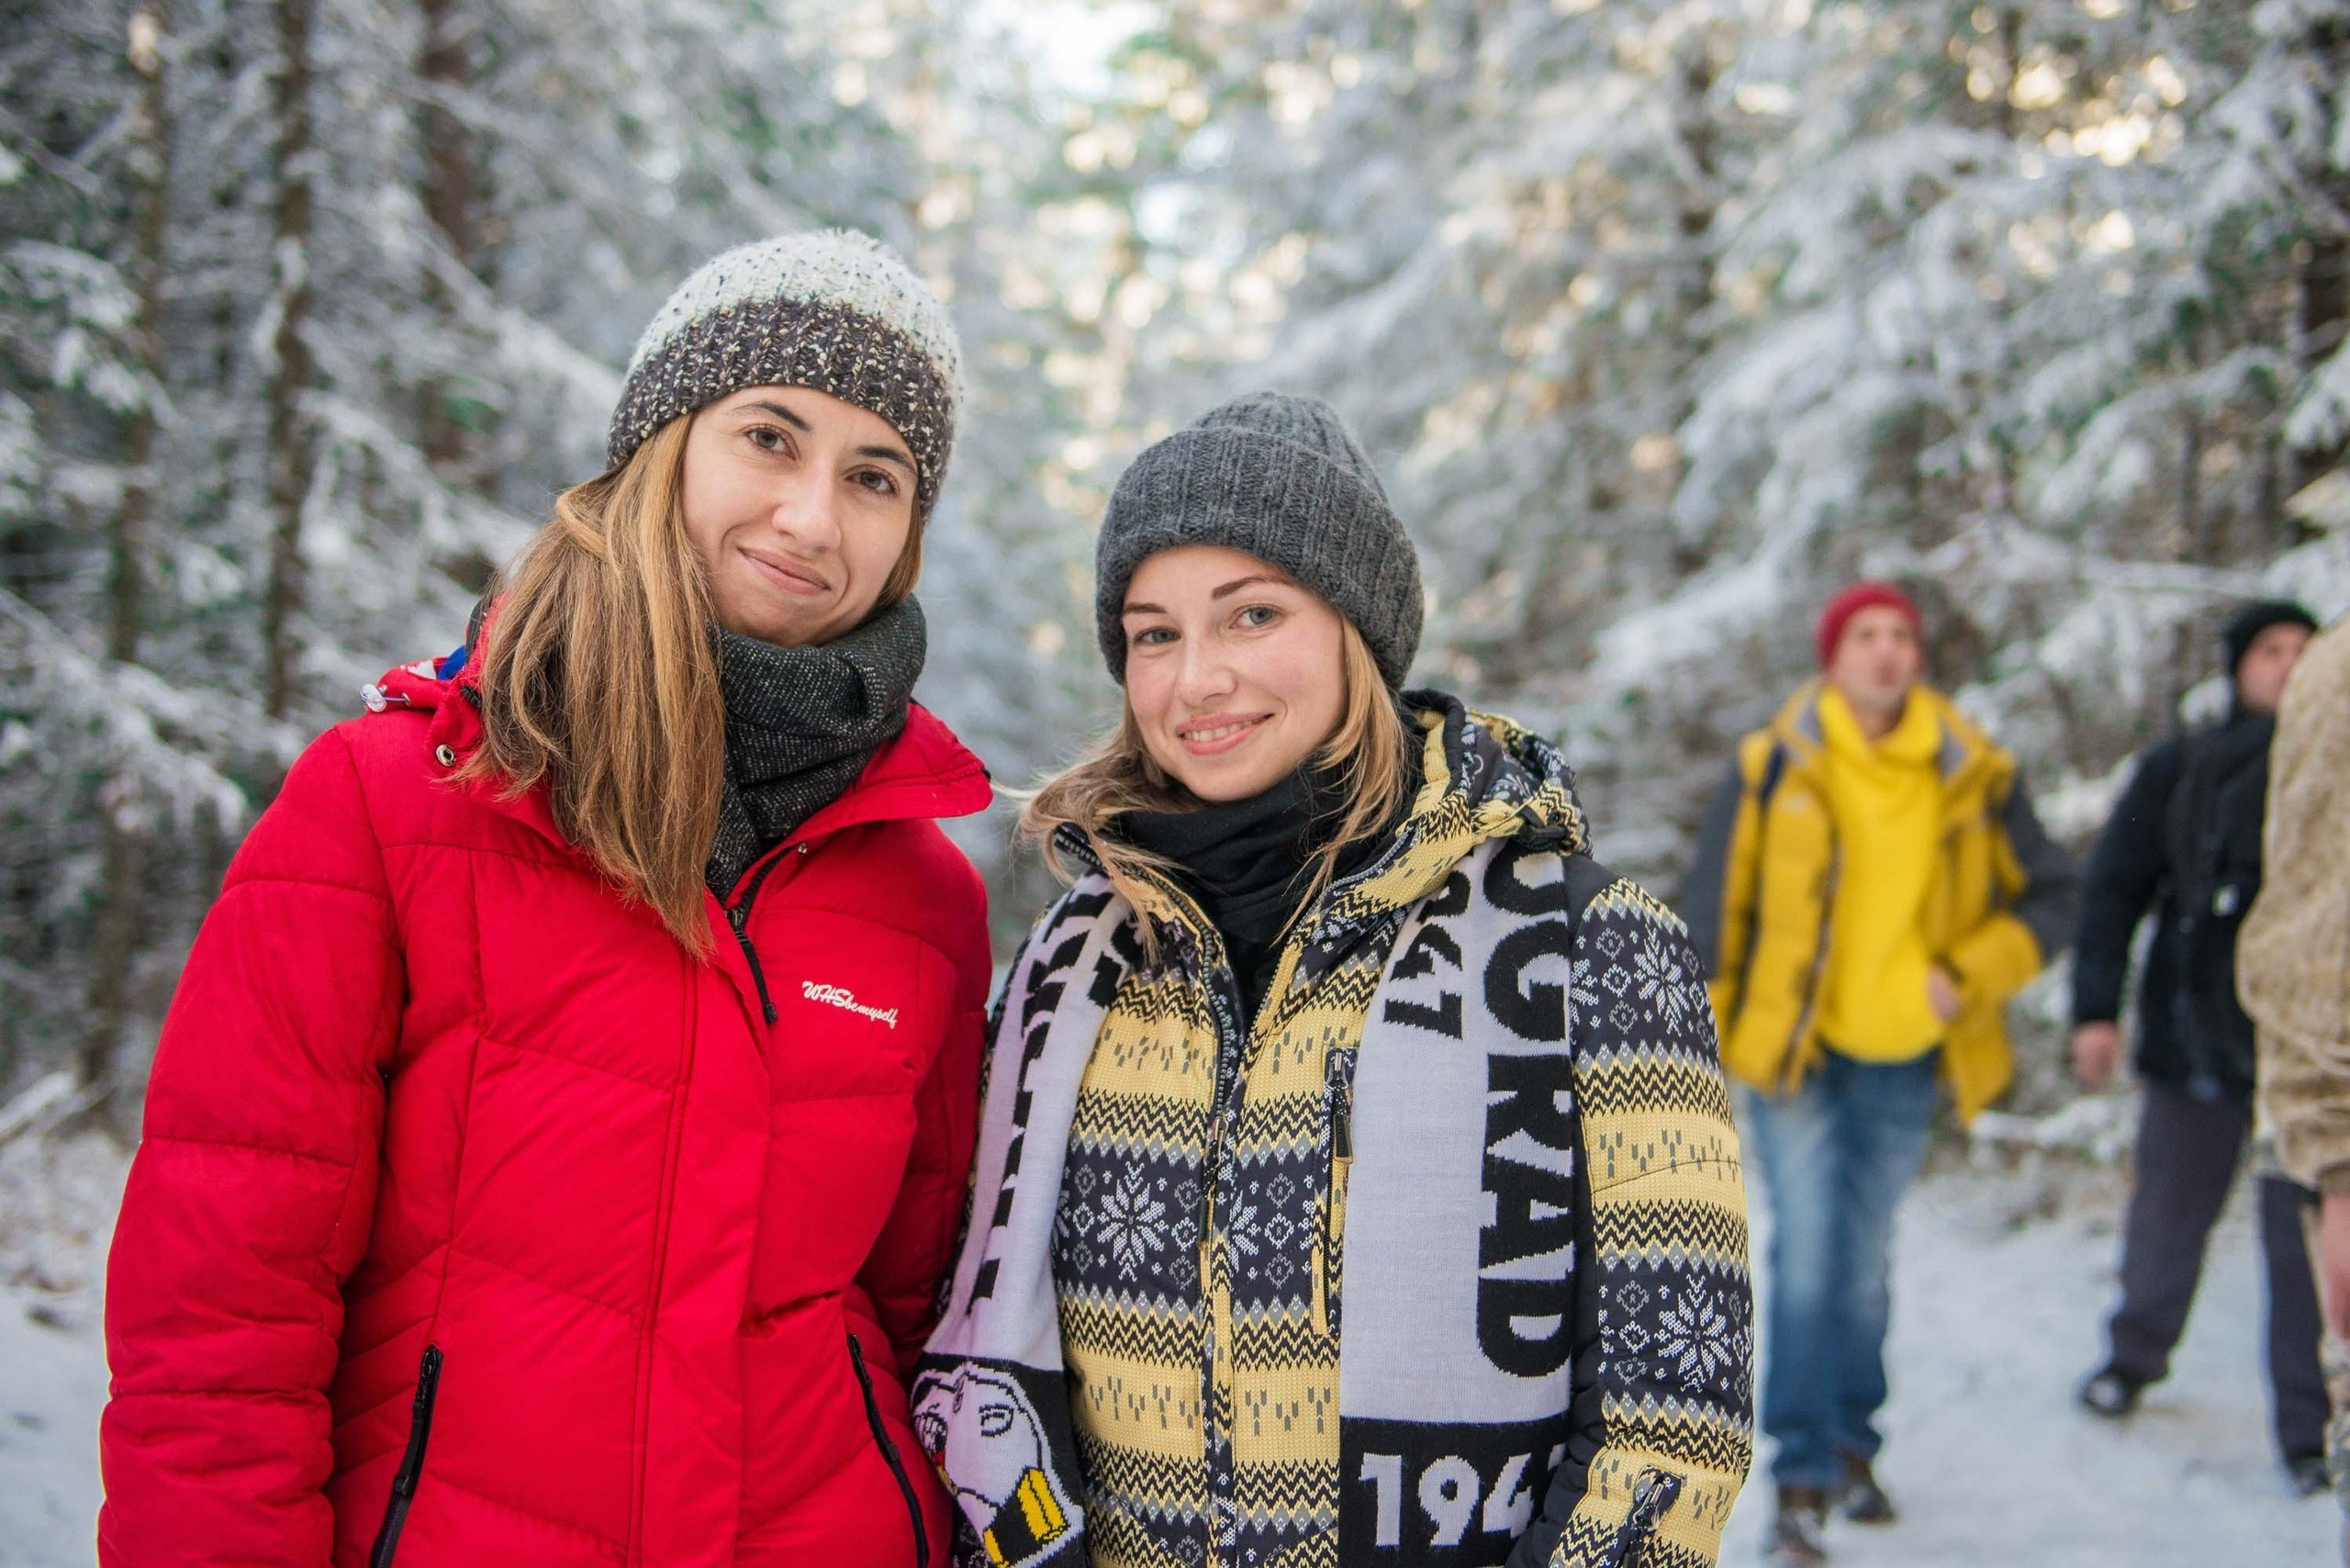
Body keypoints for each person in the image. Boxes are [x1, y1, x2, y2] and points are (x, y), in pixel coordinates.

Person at [97, 231, 992, 1566]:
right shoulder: (403, 801)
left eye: (876, 476)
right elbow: (220, 1315)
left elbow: (909, 1314)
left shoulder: (923, 894)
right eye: (770, 437)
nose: (814, 516)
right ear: (662, 444)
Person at [913, 394, 1752, 1568]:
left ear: (1357, 628)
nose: (1197, 677)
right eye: (1154, 633)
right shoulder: (1070, 966)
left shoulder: (1588, 946)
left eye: (1252, 614)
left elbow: (1674, 1419)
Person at [1683, 581, 2076, 1565]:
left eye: (1901, 635)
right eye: (1865, 634)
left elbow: (2055, 895)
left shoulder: (1969, 769)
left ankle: (1857, 1444)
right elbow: (1711, 904)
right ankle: (1802, 1477)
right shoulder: (1777, 761)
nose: (1886, 651)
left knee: (1862, 1266)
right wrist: (1703, 1032)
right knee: (1810, 1256)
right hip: (1794, 1056)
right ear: (1832, 654)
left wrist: (1968, 975)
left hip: (1905, 1053)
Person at [2068, 600, 2326, 1492]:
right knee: (2167, 1217)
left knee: (2305, 1247)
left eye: (2304, 650)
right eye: (2269, 650)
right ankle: (2131, 1357)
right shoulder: (2178, 768)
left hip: (2308, 1056)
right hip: (2191, 1038)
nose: (2288, 666)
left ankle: (2310, 1427)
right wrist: (2094, 1010)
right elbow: (2112, 891)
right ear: (2235, 666)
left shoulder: (2334, 772)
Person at [2243, 610, 2350, 1538]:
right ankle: (2300, 1431)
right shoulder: (2339, 677)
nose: (2282, 664)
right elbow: (2313, 922)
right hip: (2222, 1051)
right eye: (2262, 652)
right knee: (2287, 1246)